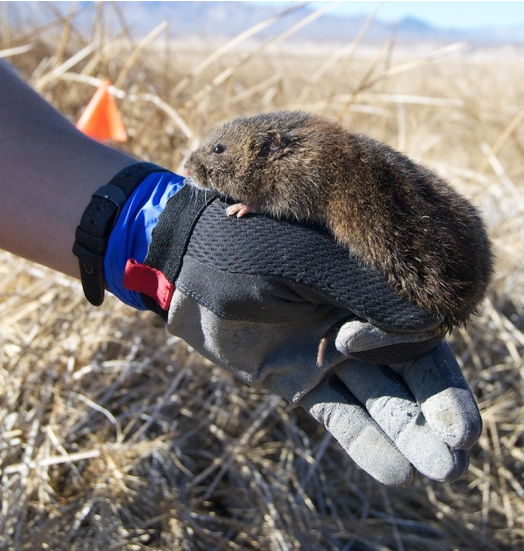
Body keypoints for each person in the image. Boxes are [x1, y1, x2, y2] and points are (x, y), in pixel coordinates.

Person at [0, 61, 482, 487]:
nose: (197, 165)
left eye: (219, 153)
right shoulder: (309, 157)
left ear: (271, 149)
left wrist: (156, 224)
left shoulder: (306, 165)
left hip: (423, 274)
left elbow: (301, 196)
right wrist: (159, 233)